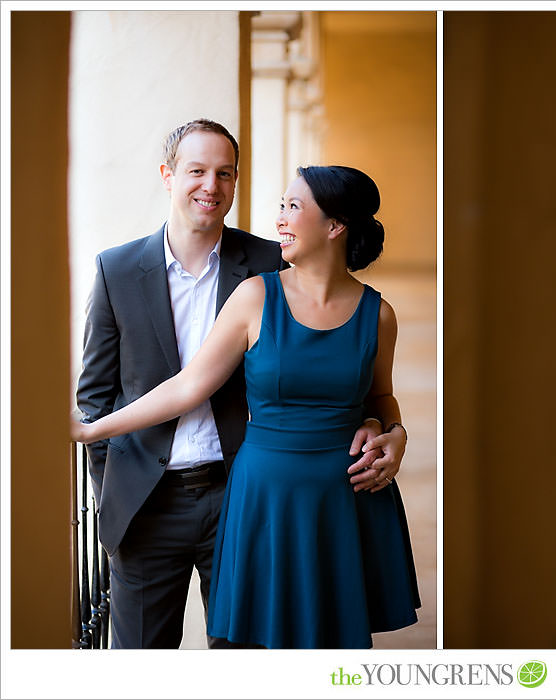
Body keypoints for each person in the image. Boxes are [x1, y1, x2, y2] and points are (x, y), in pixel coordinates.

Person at [74, 165, 420, 648]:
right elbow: (188, 386)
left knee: (332, 650)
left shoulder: (379, 314)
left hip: (345, 501)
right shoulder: (257, 296)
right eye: (281, 206)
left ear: (335, 225)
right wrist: (92, 430)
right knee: (259, 655)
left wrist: (395, 431)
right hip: (264, 500)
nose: (279, 219)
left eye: (293, 207)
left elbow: (380, 398)